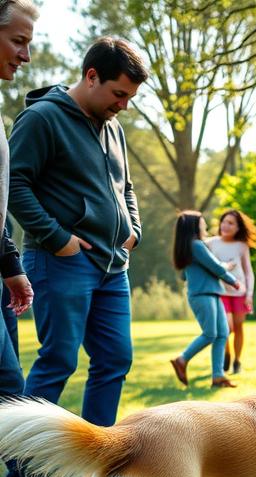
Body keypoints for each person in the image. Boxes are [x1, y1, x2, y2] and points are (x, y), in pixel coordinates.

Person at [7, 36, 148, 447]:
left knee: (115, 360)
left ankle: (94, 460)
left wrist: (133, 230)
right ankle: (24, 466)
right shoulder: (42, 119)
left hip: (113, 266)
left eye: (130, 97)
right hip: (61, 260)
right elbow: (12, 184)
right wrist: (57, 238)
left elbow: (126, 187)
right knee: (58, 361)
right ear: (91, 76)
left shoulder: (114, 127)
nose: (124, 105)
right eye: (119, 94)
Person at [0, 0, 55, 477]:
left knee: (8, 383)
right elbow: (14, 189)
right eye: (18, 40)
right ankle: (28, 476)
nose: (26, 54)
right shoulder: (38, 120)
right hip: (41, 261)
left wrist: (8, 264)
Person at [169, 212, 243, 388]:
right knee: (210, 333)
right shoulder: (196, 245)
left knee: (222, 333)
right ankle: (182, 359)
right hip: (202, 295)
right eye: (202, 223)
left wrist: (224, 267)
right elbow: (215, 266)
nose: (205, 226)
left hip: (212, 293)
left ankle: (218, 376)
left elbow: (203, 268)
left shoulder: (192, 246)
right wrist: (232, 280)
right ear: (194, 226)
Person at [208, 209, 256, 375]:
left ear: (238, 228)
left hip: (240, 293)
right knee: (226, 328)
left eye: (231, 223)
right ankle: (226, 354)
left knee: (238, 327)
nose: (225, 225)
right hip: (219, 292)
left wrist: (249, 294)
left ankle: (237, 361)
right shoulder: (211, 243)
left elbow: (248, 272)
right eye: (224, 221)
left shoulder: (242, 246)